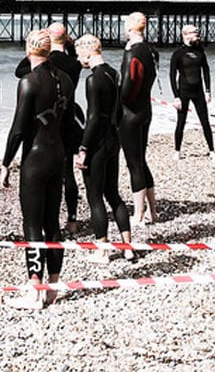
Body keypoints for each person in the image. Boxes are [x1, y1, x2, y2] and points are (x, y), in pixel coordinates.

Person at [0, 29, 75, 309]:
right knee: (53, 223)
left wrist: (6, 163)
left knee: (32, 224)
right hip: (58, 156)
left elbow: (18, 129)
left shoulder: (28, 82)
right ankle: (52, 287)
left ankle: (34, 291)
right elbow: (67, 124)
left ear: (29, 49)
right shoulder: (65, 80)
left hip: (34, 159)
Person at [15, 22, 83, 234]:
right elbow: (71, 56)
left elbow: (20, 71)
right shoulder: (74, 64)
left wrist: (36, 43)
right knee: (68, 172)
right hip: (67, 113)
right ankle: (72, 219)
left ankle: (38, 218)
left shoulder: (45, 61)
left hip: (46, 121)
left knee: (41, 173)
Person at [73, 34, 135, 263]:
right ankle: (128, 246)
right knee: (113, 193)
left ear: (88, 52)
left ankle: (102, 249)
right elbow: (115, 112)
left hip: (98, 142)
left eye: (79, 54)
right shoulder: (112, 72)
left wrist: (83, 147)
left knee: (95, 196)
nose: (78, 59)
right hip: (113, 138)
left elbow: (93, 118)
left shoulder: (93, 79)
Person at [119, 12, 159, 225]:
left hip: (130, 114)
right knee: (141, 161)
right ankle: (153, 211)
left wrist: (116, 100)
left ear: (130, 28)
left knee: (133, 164)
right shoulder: (151, 51)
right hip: (146, 109)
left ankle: (138, 214)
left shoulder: (133, 52)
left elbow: (126, 89)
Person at [169, 24, 215, 160]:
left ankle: (212, 150)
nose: (198, 35)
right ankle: (177, 151)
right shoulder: (178, 53)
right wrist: (176, 96)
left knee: (205, 121)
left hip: (198, 91)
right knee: (181, 122)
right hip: (183, 91)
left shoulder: (200, 51)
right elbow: (172, 76)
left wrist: (208, 91)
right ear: (186, 34)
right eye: (195, 33)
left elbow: (206, 71)